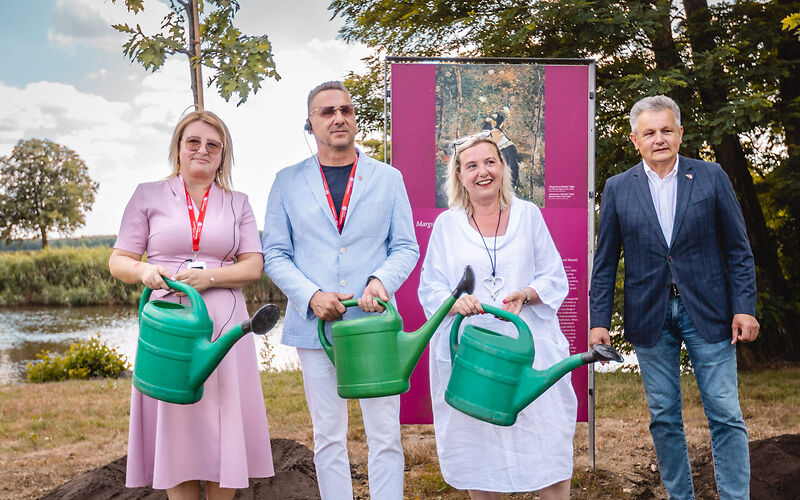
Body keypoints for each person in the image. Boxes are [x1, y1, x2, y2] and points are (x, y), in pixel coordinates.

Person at [589, 95, 759, 500]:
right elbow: (605, 261)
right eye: (650, 132)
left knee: (725, 413)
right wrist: (598, 322)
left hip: (711, 312)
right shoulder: (617, 188)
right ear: (635, 140)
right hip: (650, 315)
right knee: (664, 417)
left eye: (667, 130)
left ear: (680, 133)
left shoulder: (711, 176)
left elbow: (738, 248)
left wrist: (744, 308)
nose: (659, 139)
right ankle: (680, 496)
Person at [262, 81, 419, 499]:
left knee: (384, 433)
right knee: (328, 434)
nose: (338, 118)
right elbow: (275, 253)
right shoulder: (287, 181)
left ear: (355, 118)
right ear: (310, 124)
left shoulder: (388, 178)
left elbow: (405, 246)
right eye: (326, 112)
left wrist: (379, 282)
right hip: (316, 329)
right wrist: (311, 296)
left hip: (373, 327)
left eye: (346, 110)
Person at [108, 110, 273, 499]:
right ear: (178, 149)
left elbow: (253, 265)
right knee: (177, 422)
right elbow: (118, 261)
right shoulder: (146, 195)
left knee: (224, 420)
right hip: (170, 325)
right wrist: (144, 272)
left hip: (226, 325)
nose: (202, 150)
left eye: (213, 145)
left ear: (222, 156)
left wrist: (210, 277)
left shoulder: (239, 202)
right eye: (193, 142)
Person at [418, 135, 575, 500]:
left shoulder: (528, 215)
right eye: (471, 165)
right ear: (458, 175)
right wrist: (456, 304)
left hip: (529, 349)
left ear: (503, 168)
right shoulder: (446, 225)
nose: (482, 172)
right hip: (471, 357)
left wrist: (526, 293)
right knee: (477, 447)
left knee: (545, 440)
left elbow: (554, 277)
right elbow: (431, 288)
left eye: (490, 162)